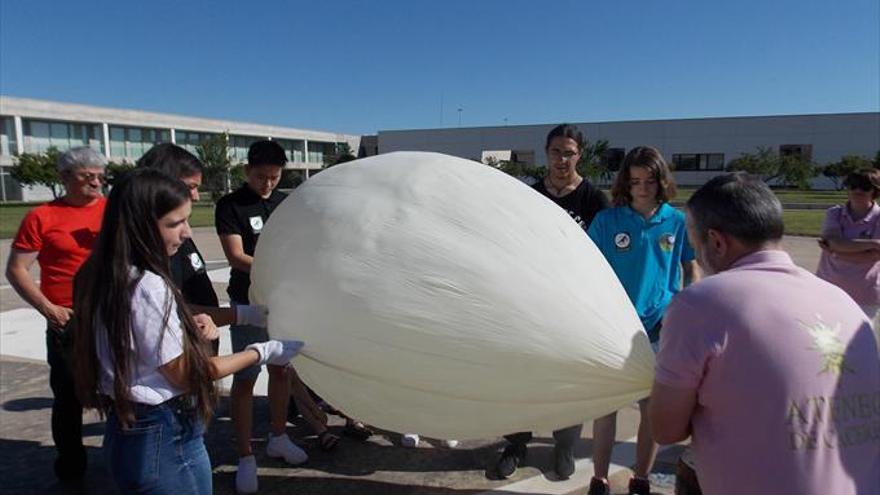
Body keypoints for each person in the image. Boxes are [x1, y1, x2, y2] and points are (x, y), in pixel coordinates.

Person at [71, 168, 302, 495]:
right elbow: (188, 374)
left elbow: (139, 335)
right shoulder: (148, 286)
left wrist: (229, 317)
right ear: (140, 226)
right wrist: (262, 352)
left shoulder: (102, 273)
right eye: (175, 223)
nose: (186, 232)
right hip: (163, 433)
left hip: (133, 427)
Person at [649, 173, 880, 495]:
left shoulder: (700, 304)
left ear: (715, 242)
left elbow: (665, 427)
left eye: (694, 242)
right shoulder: (844, 302)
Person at [493, 123, 609, 480]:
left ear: (580, 155)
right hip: (528, 302)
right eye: (556, 152)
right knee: (521, 373)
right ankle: (515, 441)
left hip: (573, 305)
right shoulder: (529, 195)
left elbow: (602, 257)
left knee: (570, 373)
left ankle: (565, 444)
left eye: (569, 152)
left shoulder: (593, 200)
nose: (562, 159)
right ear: (547, 153)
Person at [585, 146, 699, 495]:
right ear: (625, 182)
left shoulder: (676, 221)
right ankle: (600, 479)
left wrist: (684, 305)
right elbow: (588, 268)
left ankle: (641, 479)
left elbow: (689, 266)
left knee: (651, 408)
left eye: (649, 180)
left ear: (661, 181)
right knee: (606, 407)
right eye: (635, 181)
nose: (643, 188)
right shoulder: (608, 221)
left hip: (659, 327)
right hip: (615, 326)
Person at [5, 146, 108, 481]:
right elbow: (17, 270)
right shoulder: (42, 217)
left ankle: (122, 459)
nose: (96, 182)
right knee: (68, 395)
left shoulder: (111, 211)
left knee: (120, 390)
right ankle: (71, 466)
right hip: (67, 318)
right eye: (86, 176)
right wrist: (48, 308)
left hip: (109, 313)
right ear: (64, 177)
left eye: (99, 175)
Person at [215, 140, 302, 493]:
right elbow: (236, 256)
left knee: (281, 370)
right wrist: (277, 271)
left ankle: (279, 436)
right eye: (261, 176)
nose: (268, 183)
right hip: (248, 300)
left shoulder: (286, 203)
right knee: (247, 375)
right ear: (247, 171)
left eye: (274, 176)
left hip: (285, 301)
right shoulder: (231, 205)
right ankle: (246, 455)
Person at [136, 144, 268, 347]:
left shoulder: (175, 238)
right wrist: (244, 315)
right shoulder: (149, 251)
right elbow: (172, 312)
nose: (197, 196)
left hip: (200, 350)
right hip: (179, 357)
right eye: (190, 187)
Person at [817, 169, 880, 317]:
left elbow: (873, 257)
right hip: (828, 289)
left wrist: (834, 253)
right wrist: (873, 243)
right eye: (853, 185)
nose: (858, 190)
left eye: (865, 186)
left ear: (875, 191)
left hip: (864, 295)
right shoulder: (834, 213)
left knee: (857, 340)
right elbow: (834, 242)